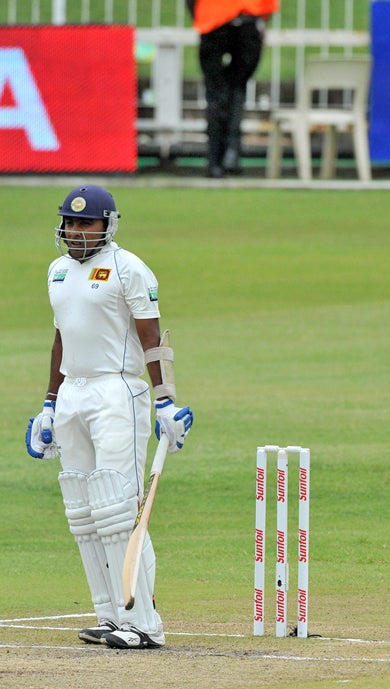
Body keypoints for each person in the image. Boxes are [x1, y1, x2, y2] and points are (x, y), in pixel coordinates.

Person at [25, 185, 194, 648]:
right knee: (83, 509)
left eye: (86, 223)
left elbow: (152, 337)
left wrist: (165, 399)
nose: (76, 231)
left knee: (118, 509)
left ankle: (144, 624)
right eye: (70, 223)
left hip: (117, 390)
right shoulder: (57, 271)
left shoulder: (128, 268)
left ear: (107, 225)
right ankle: (110, 615)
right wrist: (48, 403)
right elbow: (62, 339)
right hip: (74, 392)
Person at [186, 0, 279, 178]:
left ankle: (214, 161)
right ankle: (232, 153)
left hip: (212, 21)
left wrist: (201, 18)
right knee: (237, 89)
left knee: (215, 93)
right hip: (247, 22)